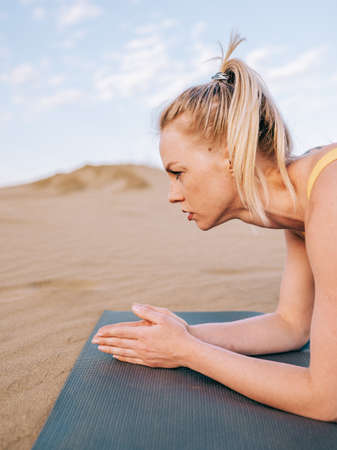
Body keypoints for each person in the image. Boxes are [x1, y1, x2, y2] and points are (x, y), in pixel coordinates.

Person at [91, 31, 337, 422]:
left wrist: (188, 353)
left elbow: (326, 398)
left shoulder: (330, 195)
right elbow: (290, 326)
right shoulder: (301, 210)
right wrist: (180, 335)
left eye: (178, 172)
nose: (172, 194)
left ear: (228, 154)